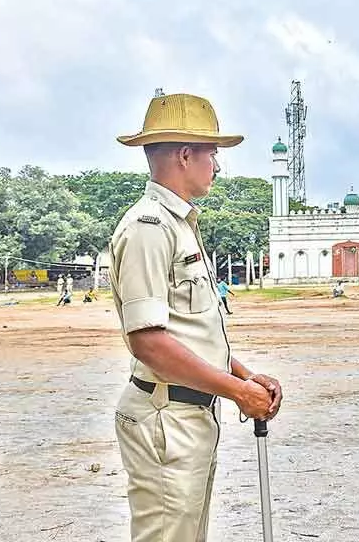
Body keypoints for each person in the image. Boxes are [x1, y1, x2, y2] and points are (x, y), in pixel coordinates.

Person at [109, 92, 283, 542]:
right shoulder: (150, 228)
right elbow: (149, 342)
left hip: (190, 412)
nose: (217, 165)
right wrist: (237, 392)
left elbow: (191, 331)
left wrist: (245, 377)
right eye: (212, 153)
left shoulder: (180, 223)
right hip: (167, 416)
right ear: (185, 155)